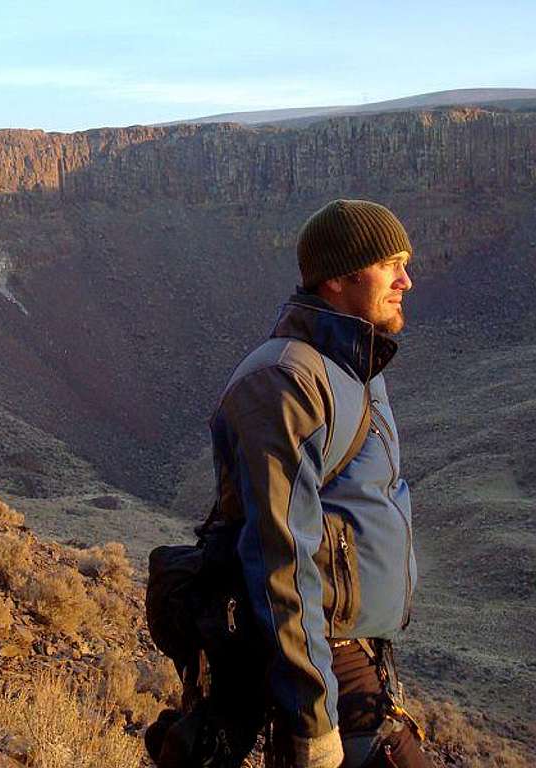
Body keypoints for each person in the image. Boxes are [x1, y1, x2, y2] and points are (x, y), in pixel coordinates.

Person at [208, 199, 426, 768]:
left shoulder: (356, 365)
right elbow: (280, 555)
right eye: (390, 264)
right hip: (328, 661)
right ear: (336, 277)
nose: (407, 279)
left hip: (359, 654)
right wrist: (313, 718)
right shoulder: (287, 381)